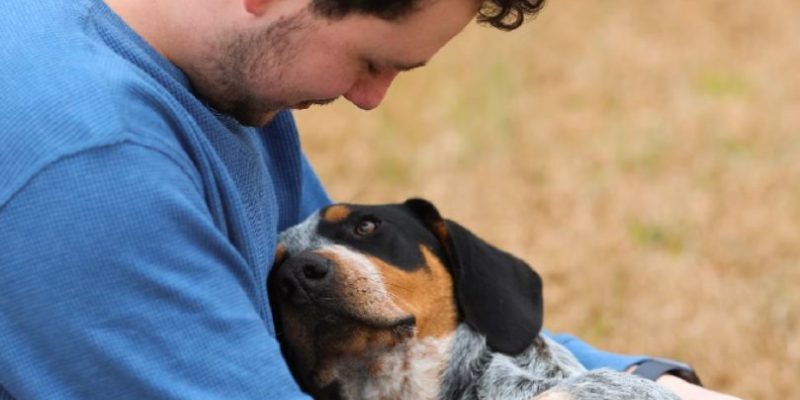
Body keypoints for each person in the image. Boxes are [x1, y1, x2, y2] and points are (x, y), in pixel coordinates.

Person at [0, 0, 739, 399]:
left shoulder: (218, 90)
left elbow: (416, 319)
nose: (370, 99)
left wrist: (649, 386)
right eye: (372, 61)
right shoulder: (91, 167)